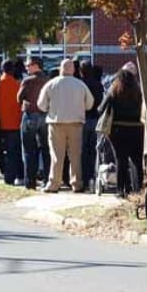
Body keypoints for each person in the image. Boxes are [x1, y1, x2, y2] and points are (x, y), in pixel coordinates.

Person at [38, 59, 94, 193]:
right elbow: (90, 104)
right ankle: (76, 183)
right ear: (73, 70)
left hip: (56, 123)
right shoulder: (80, 85)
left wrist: (50, 109)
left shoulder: (51, 84)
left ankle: (54, 184)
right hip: (76, 123)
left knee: (56, 156)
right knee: (75, 155)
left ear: (60, 69)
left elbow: (41, 105)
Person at [101, 68, 146, 195]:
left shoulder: (114, 91)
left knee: (121, 160)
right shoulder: (139, 93)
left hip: (117, 130)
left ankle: (122, 189)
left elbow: (101, 108)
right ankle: (140, 188)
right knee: (137, 160)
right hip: (137, 129)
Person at [18, 58, 51, 190]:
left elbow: (19, 98)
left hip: (30, 114)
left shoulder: (27, 81)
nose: (26, 67)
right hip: (44, 115)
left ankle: (30, 182)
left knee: (29, 150)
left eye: (28, 65)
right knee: (46, 149)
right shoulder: (48, 80)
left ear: (36, 66)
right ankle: (47, 179)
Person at [0, 60, 24, 185]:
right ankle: (11, 177)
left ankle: (4, 172)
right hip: (14, 124)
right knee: (14, 153)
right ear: (12, 70)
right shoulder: (18, 85)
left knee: (0, 151)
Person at [81, 60, 105, 188]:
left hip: (83, 119)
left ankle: (84, 179)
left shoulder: (81, 84)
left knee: (83, 151)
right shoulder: (98, 84)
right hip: (95, 119)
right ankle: (93, 177)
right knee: (94, 151)